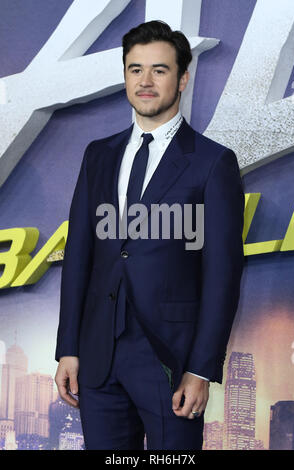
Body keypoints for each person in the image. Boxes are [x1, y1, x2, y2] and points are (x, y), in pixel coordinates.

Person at [54, 20, 245, 450]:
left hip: (171, 361)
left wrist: (201, 369)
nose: (145, 80)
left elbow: (223, 276)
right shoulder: (98, 155)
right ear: (124, 75)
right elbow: (80, 255)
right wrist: (68, 347)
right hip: (98, 358)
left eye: (159, 70)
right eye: (134, 69)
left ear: (182, 79)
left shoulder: (213, 163)